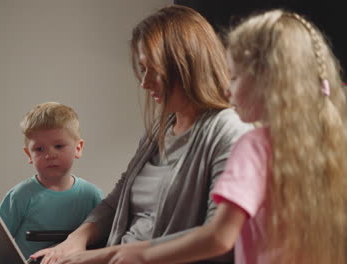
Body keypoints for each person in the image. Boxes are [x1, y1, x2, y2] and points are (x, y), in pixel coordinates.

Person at [106, 9, 347, 264]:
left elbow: (220, 237)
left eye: (233, 77)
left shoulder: (255, 145)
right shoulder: (329, 143)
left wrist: (141, 256)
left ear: (266, 80)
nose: (225, 88)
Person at [31, 5, 252, 264]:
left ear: (184, 66)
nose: (144, 83)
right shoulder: (158, 132)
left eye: (151, 70)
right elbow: (116, 202)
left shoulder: (229, 131)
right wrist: (74, 241)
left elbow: (218, 236)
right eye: (142, 69)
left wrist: (100, 257)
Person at [0, 102, 104, 259]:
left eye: (59, 146)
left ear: (78, 148)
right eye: (39, 149)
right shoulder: (20, 196)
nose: (49, 155)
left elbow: (104, 239)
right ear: (29, 155)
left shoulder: (92, 195)